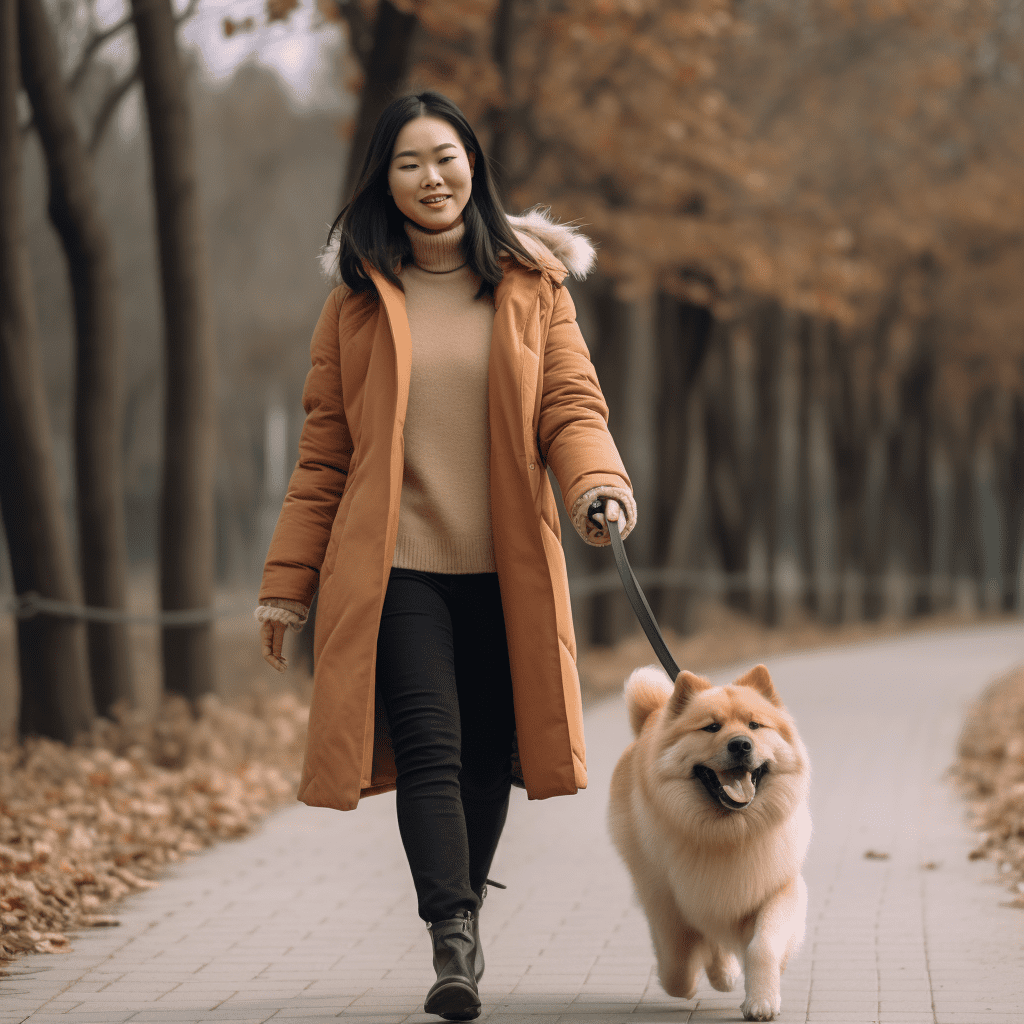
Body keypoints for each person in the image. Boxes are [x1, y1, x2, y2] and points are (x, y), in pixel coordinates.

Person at [254, 90, 636, 1021]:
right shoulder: (354, 307)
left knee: (487, 755)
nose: (434, 178)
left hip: (507, 568)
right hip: (396, 570)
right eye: (410, 163)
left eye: (448, 156)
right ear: (386, 181)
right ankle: (453, 934)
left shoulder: (531, 288)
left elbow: (571, 407)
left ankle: (461, 914)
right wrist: (287, 585)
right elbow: (324, 457)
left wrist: (598, 484)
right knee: (431, 745)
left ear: (475, 165)